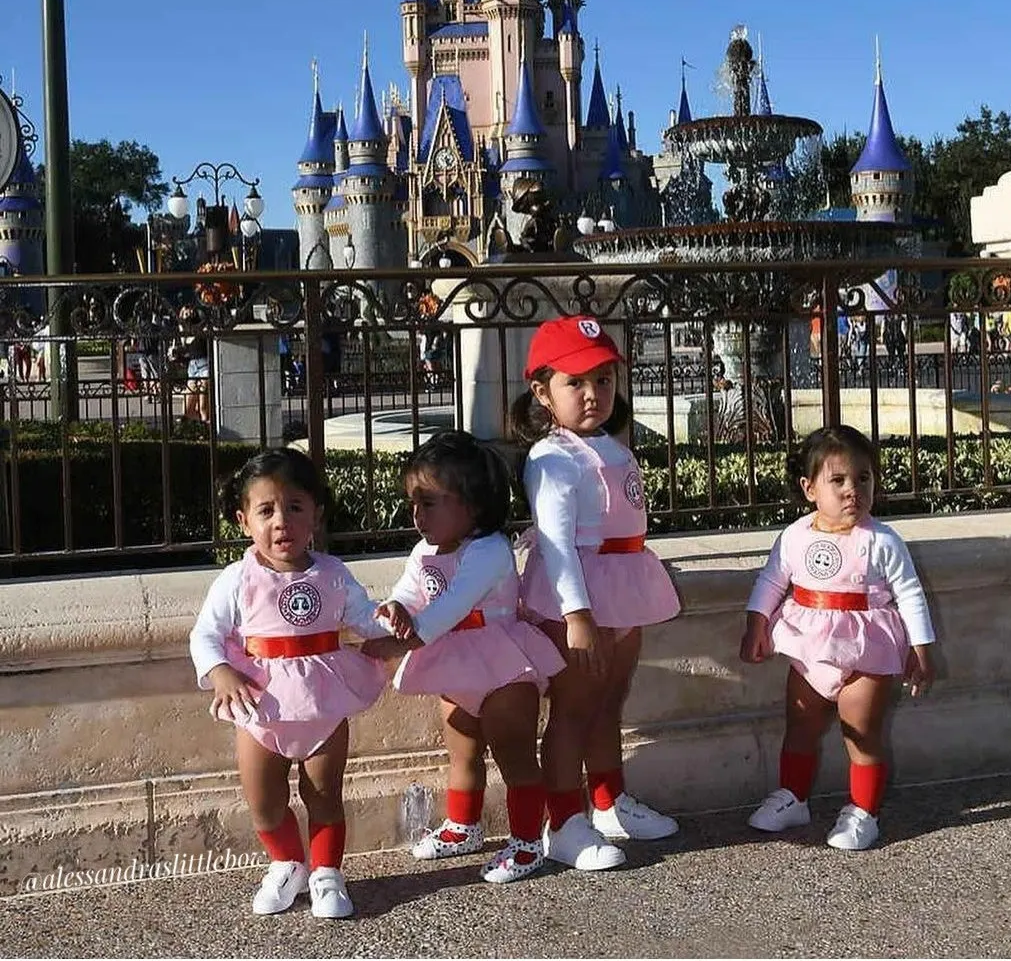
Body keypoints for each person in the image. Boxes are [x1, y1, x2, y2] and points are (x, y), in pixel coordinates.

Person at [510, 315, 681, 872]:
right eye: (575, 382)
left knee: (609, 701)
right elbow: (557, 544)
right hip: (580, 598)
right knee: (572, 711)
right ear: (542, 392)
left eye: (603, 380)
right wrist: (576, 614)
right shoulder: (552, 458)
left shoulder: (611, 445)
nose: (593, 394)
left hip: (623, 587)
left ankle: (608, 800)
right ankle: (562, 820)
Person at [189, 448, 389, 918]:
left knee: (325, 795)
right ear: (244, 521)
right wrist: (219, 671)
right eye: (266, 510)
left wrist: (392, 628)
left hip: (323, 701)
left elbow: (365, 618)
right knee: (264, 804)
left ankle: (327, 873)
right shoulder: (236, 579)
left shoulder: (334, 574)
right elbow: (206, 633)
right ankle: (286, 863)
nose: (282, 521)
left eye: (295, 507)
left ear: (315, 515)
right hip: (261, 708)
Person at [364, 430, 564, 884]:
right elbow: (409, 595)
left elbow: (452, 606)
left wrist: (403, 641)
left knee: (513, 753)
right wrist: (393, 611)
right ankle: (464, 825)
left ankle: (529, 842)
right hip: (455, 664)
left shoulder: (490, 550)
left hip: (501, 664)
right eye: (413, 503)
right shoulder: (423, 551)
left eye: (429, 502)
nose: (416, 515)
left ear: (472, 504)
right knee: (462, 749)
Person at [739, 424, 935, 852]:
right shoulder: (795, 535)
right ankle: (793, 796)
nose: (853, 491)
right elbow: (772, 581)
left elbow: (910, 594)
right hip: (809, 649)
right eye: (839, 480)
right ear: (809, 488)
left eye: (863, 479)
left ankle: (863, 811)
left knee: (859, 731)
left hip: (867, 650)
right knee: (801, 724)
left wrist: (921, 649)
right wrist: (756, 622)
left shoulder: (883, 540)